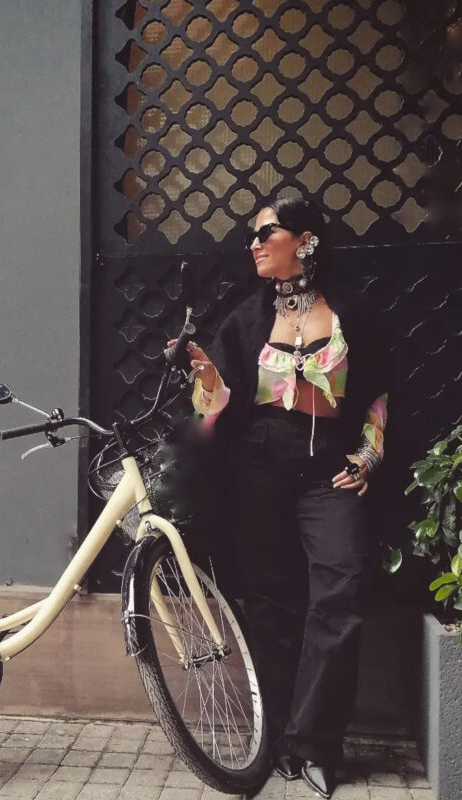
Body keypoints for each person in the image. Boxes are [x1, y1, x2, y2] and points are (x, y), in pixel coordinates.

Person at [185, 194, 392, 799]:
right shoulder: (244, 321)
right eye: (253, 235)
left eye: (266, 232)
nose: (254, 244)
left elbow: (379, 394)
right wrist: (207, 385)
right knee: (270, 607)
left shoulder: (352, 313)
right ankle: (277, 740)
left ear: (305, 240)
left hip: (330, 475)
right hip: (259, 472)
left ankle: (317, 744)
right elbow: (211, 413)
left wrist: (370, 455)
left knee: (341, 593)